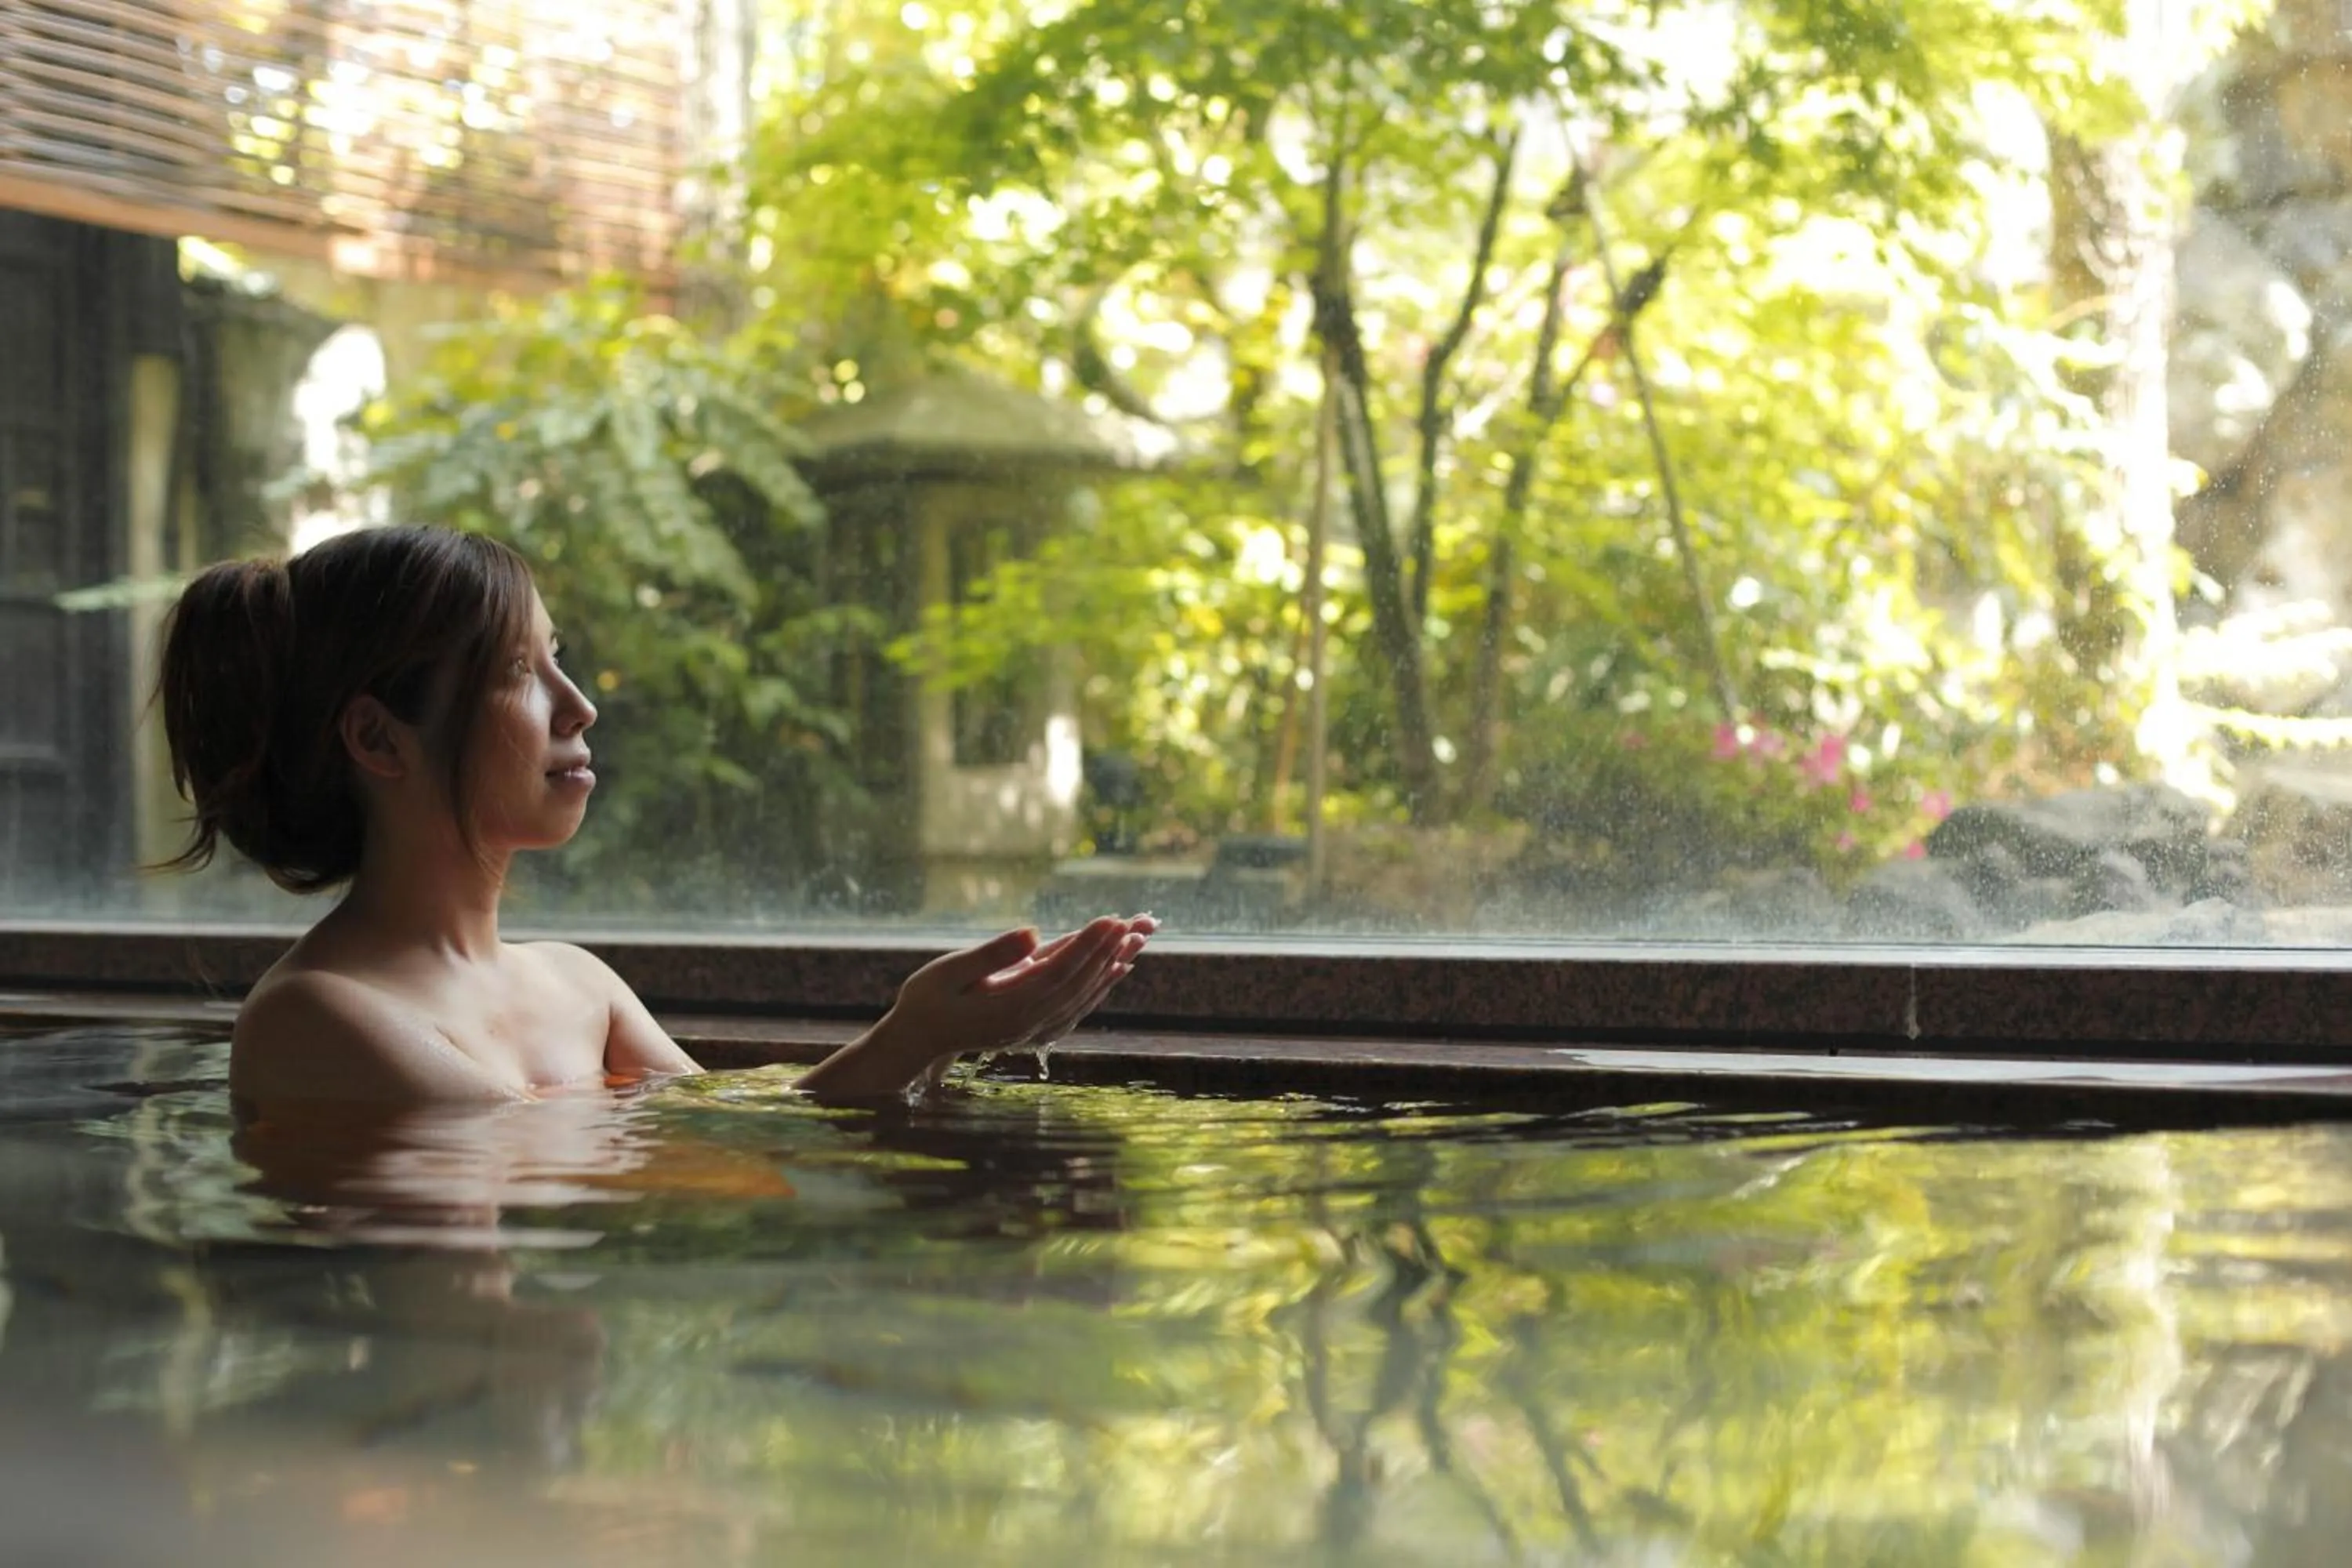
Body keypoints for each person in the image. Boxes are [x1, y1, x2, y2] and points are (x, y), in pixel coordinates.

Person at [155, 524, 1152, 1110]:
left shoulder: (576, 982)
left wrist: (934, 1039)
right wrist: (915, 1036)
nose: (578, 703)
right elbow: (677, 1169)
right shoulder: (319, 1017)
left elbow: (747, 1130)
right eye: (517, 671)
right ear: (379, 740)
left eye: (559, 656)